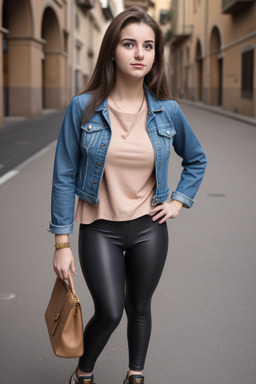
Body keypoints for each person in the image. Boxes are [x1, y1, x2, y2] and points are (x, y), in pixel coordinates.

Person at [49, 7, 207, 384]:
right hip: (99, 227)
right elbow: (64, 175)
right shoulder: (83, 108)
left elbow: (196, 159)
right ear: (112, 51)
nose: (140, 53)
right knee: (109, 310)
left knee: (139, 307)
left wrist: (178, 200)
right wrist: (61, 242)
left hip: (148, 227)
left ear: (156, 55)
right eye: (129, 44)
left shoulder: (167, 112)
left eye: (149, 46)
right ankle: (83, 371)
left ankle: (135, 374)